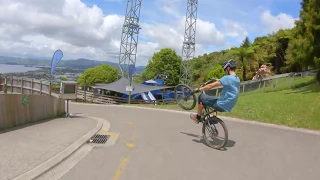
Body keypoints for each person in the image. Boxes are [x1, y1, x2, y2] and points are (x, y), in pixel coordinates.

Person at [190, 59, 240, 124]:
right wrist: (216, 80)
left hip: (221, 105)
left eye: (225, 70)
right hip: (229, 106)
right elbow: (228, 80)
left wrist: (199, 89)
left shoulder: (226, 78)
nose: (225, 72)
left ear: (228, 68)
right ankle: (214, 118)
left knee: (201, 97)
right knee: (214, 98)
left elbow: (211, 86)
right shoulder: (237, 79)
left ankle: (198, 118)